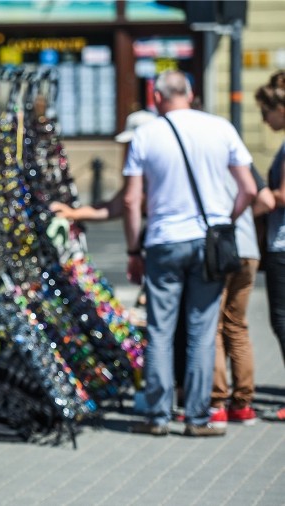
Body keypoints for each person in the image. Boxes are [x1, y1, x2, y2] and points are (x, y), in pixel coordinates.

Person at [122, 70, 256, 437]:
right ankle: (197, 417)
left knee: (160, 330)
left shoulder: (146, 134)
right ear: (191, 92)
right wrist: (224, 220)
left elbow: (133, 199)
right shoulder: (221, 128)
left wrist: (134, 249)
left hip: (164, 240)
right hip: (208, 241)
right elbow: (248, 189)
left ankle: (158, 415)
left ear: (157, 97)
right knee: (202, 330)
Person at [205, 164, 275, 427]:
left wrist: (228, 220)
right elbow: (266, 201)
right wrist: (243, 220)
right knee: (237, 325)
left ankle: (217, 403)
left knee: (213, 325)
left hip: (220, 248)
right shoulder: (241, 161)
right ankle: (243, 403)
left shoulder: (207, 156)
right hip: (248, 249)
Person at [50, 109, 156, 222]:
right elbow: (114, 207)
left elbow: (129, 201)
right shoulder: (141, 177)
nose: (130, 152)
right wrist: (73, 213)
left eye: (133, 145)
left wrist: (133, 239)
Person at [255, 69, 285, 422]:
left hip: (282, 243)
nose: (263, 119)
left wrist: (250, 208)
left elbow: (282, 195)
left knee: (281, 320)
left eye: (266, 111)